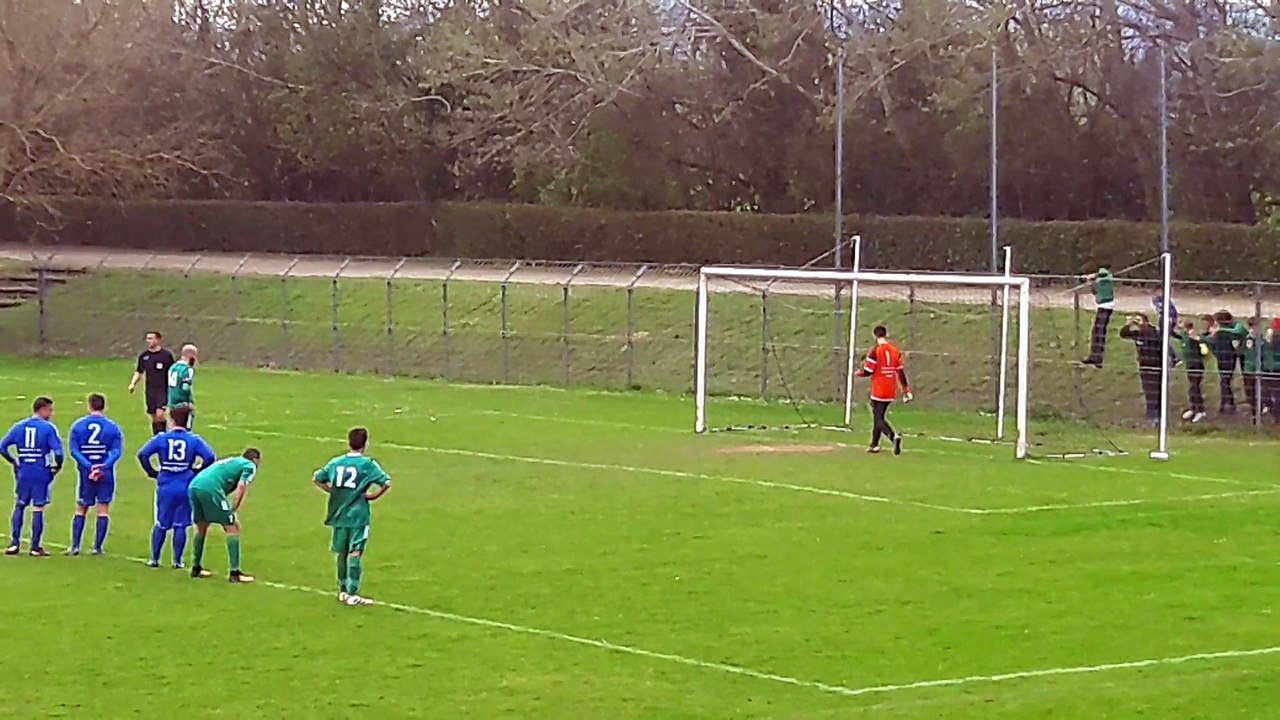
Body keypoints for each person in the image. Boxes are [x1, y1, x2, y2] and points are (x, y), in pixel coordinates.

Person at [313, 427, 392, 607]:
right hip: (358, 514)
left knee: (341, 551)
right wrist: (373, 496)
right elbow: (386, 482)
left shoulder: (336, 462)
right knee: (355, 551)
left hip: (338, 512)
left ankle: (342, 590)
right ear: (365, 443)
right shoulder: (367, 464)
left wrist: (332, 491)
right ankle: (353, 593)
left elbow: (317, 478)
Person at [137, 406, 215, 569]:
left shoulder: (161, 438)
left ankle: (155, 558)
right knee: (181, 524)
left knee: (161, 522)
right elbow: (209, 457)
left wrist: (152, 472)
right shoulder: (193, 440)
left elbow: (143, 454)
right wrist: (197, 471)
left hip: (166, 483)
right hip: (185, 483)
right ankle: (177, 561)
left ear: (171, 421)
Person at [0, 397, 64, 556]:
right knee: (38, 507)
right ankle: (35, 547)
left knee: (20, 504)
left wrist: (13, 461)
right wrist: (57, 466)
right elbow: (58, 452)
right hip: (40, 470)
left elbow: (2, 446)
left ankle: (15, 544)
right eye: (50, 410)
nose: (52, 413)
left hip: (24, 471)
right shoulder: (48, 428)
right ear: (42, 410)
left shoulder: (19, 426)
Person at [187, 448, 261, 583]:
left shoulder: (233, 460)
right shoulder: (249, 465)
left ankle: (196, 568)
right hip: (210, 488)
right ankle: (235, 573)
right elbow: (242, 486)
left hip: (194, 485)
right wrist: (234, 508)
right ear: (255, 460)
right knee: (232, 526)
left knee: (201, 526)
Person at [67, 393, 124, 555]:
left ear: (89, 406)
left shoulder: (78, 426)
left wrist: (89, 466)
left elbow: (74, 450)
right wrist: (103, 466)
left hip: (86, 474)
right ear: (104, 407)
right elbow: (116, 451)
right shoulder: (113, 427)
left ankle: (75, 546)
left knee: (81, 507)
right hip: (105, 474)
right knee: (103, 508)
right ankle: (97, 548)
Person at [853, 325, 912, 455]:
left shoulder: (875, 351)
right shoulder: (895, 351)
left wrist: (858, 373)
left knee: (878, 418)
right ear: (886, 335)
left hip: (879, 388)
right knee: (879, 416)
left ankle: (893, 437)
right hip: (891, 388)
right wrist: (906, 389)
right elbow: (900, 371)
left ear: (875, 335)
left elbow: (868, 370)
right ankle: (874, 444)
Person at [1119, 313, 1164, 424]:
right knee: (1147, 390)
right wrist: (1128, 324)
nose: (1137, 323)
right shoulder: (1138, 334)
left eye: (1139, 320)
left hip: (1155, 365)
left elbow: (1157, 340)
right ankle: (1151, 414)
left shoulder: (1152, 332)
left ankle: (1157, 414)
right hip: (1144, 366)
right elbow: (1123, 334)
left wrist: (1146, 326)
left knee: (1155, 390)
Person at [128, 331, 175, 436]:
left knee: (160, 414)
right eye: (147, 338)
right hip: (150, 390)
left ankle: (165, 435)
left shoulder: (166, 355)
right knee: (153, 416)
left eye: (151, 338)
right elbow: (139, 371)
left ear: (158, 340)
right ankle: (157, 437)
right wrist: (133, 384)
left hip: (163, 389)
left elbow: (173, 371)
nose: (148, 341)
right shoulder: (144, 356)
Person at [1204, 310, 1247, 414]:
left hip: (1228, 357)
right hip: (1221, 357)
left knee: (1224, 381)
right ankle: (1228, 402)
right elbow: (1210, 341)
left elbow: (1239, 333)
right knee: (1224, 381)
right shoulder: (1219, 332)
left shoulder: (1229, 330)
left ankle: (1227, 403)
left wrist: (1219, 331)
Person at [1172, 319, 1209, 423]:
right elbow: (1173, 334)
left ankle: (1200, 410)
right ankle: (1193, 408)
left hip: (1196, 365)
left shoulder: (1195, 337)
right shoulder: (1184, 335)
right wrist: (1172, 324)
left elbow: (1204, 349)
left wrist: (1197, 339)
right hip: (1189, 365)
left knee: (1195, 387)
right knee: (1192, 388)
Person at [1081, 266, 1115, 368]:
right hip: (1101, 307)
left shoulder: (1106, 275)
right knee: (1096, 332)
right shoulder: (1099, 282)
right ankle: (1095, 356)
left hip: (1106, 307)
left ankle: (1097, 358)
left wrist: (1090, 276)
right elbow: (1095, 293)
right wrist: (1090, 283)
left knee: (1099, 333)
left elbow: (1103, 272)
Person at [167, 344, 198, 428]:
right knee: (185, 429)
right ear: (192, 356)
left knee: (173, 426)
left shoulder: (172, 367)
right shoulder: (187, 369)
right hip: (182, 404)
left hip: (172, 402)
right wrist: (189, 402)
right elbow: (185, 387)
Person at [1242, 318, 1265, 420]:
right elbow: (1242, 352)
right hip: (1248, 369)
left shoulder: (1262, 339)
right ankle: (1253, 410)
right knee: (1249, 390)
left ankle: (1261, 408)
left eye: (1255, 326)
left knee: (1260, 389)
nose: (1253, 328)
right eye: (1251, 326)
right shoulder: (1246, 339)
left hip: (1259, 369)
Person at [1152, 292, 1179, 368]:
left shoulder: (1160, 303)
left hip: (1167, 321)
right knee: (1163, 339)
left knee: (1163, 340)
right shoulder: (1167, 303)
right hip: (1167, 320)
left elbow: (1161, 311)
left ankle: (1173, 357)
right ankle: (1171, 356)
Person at [1263, 319, 1280, 423]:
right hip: (1269, 370)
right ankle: (1274, 414)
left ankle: (1276, 416)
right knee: (1267, 393)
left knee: (1277, 395)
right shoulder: (1268, 342)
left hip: (1275, 370)